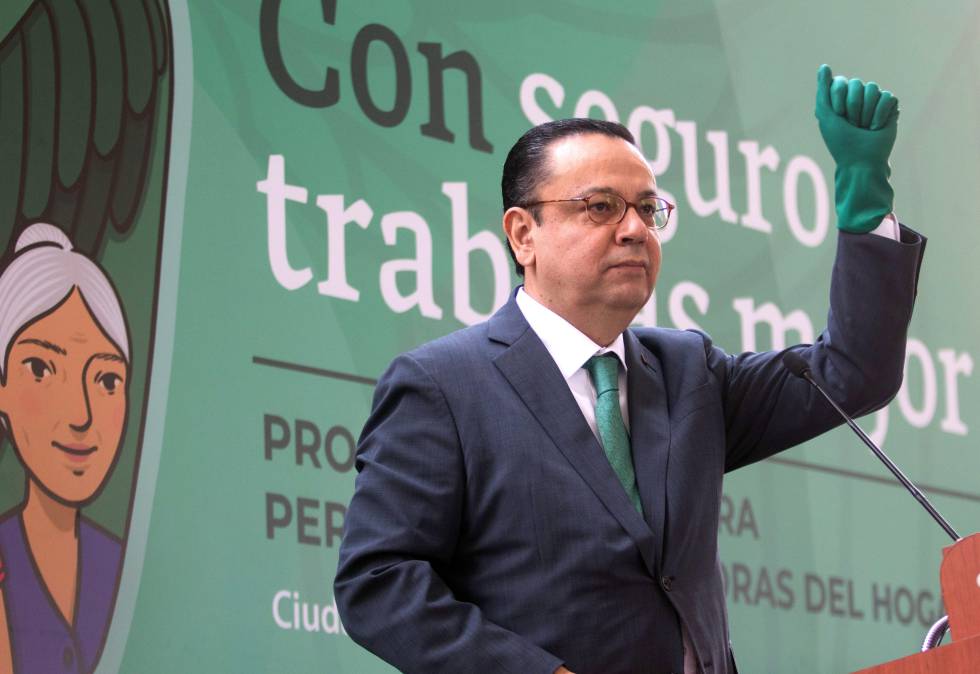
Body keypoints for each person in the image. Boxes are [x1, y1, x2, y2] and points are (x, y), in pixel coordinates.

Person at [334, 66, 924, 674]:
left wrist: (864, 202)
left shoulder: (689, 372)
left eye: (648, 209)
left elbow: (854, 373)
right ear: (522, 234)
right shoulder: (443, 386)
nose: (635, 230)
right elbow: (378, 581)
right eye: (600, 208)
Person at [0, 223, 130, 674]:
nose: (81, 414)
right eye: (41, 369)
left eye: (107, 379)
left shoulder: (127, 564)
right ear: (3, 389)